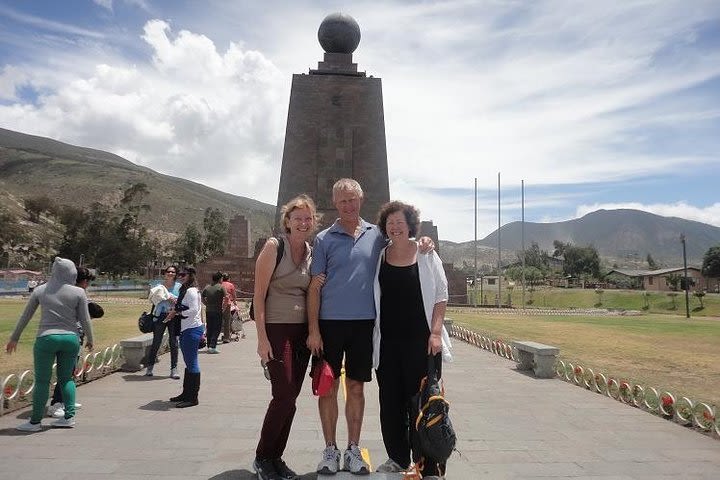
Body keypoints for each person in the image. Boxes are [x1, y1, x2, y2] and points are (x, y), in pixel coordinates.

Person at [306, 178, 434, 475]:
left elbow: (404, 245)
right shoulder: (324, 239)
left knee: (355, 387)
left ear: (361, 200)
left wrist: (425, 242)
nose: (348, 205)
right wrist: (313, 329)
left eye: (352, 199)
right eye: (342, 201)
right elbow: (314, 287)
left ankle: (352, 449)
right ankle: (329, 449)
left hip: (364, 325)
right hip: (329, 324)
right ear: (335, 203)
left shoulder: (376, 235)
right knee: (328, 387)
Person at [372, 201, 453, 478]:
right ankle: (397, 458)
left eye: (400, 222)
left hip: (421, 342)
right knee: (390, 404)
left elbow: (441, 295)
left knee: (421, 403)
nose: (395, 227)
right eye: (390, 223)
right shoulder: (380, 257)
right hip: (387, 344)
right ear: (385, 227)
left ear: (410, 225)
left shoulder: (426, 254)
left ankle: (428, 463)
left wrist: (435, 332)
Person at [252, 194, 321, 480]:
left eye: (308, 218)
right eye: (298, 218)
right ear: (288, 221)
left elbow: (311, 292)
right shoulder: (273, 247)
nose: (303, 223)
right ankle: (262, 457)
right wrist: (262, 339)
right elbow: (258, 296)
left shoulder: (310, 252)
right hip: (277, 330)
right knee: (282, 395)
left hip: (300, 331)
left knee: (291, 397)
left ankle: (276, 457)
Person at [6, 257, 94, 431]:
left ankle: (35, 422)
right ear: (72, 273)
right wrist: (91, 339)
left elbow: (26, 316)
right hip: (71, 339)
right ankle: (68, 417)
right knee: (66, 379)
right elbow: (85, 319)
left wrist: (14, 337)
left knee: (42, 381)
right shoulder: (78, 292)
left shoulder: (40, 290)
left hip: (46, 338)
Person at [47, 266, 104, 418]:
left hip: (75, 335)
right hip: (68, 335)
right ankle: (56, 404)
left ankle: (65, 400)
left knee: (70, 370)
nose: (87, 285)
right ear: (82, 281)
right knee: (66, 371)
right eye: (87, 282)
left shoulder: (76, 292)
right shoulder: (71, 293)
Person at [166, 266, 204, 408]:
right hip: (188, 328)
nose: (180, 276)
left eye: (183, 274)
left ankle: (193, 398)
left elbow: (193, 310)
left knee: (192, 362)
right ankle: (186, 393)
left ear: (190, 275)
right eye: (179, 274)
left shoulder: (191, 291)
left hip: (191, 329)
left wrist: (178, 312)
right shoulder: (186, 290)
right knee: (189, 363)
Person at [145, 265, 181, 378]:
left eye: (173, 272)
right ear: (165, 273)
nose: (170, 273)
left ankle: (174, 369)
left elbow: (182, 301)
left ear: (175, 274)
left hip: (174, 316)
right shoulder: (159, 286)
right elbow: (152, 299)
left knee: (173, 343)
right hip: (160, 316)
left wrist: (174, 300)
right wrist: (164, 297)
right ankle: (150, 367)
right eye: (168, 272)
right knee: (156, 341)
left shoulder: (179, 286)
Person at [202, 271, 226, 353]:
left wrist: (206, 304)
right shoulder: (221, 287)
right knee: (217, 328)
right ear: (220, 279)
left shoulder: (207, 287)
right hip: (217, 310)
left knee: (210, 328)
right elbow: (226, 297)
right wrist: (224, 306)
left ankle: (209, 345)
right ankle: (212, 346)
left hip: (208, 310)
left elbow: (202, 297)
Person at [221, 272, 243, 341]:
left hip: (218, 304)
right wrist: (235, 303)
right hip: (227, 304)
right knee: (228, 320)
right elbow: (233, 296)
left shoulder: (219, 284)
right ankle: (226, 337)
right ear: (229, 279)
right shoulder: (230, 285)